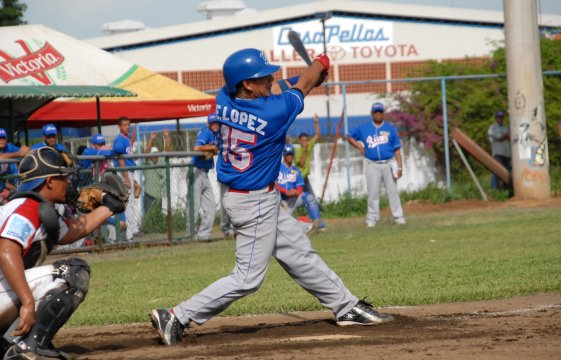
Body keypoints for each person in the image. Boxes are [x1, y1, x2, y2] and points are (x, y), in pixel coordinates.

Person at [151, 48, 393, 346]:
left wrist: (310, 78)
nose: (270, 80)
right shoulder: (273, 113)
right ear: (247, 85)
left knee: (297, 251)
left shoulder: (224, 97)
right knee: (247, 278)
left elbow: (285, 86)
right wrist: (320, 64)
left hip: (249, 195)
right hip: (252, 202)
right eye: (262, 77)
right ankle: (177, 315)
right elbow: (300, 85)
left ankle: (346, 306)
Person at [0, 147, 126, 359]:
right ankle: (28, 349)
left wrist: (111, 207)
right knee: (72, 273)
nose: (69, 182)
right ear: (50, 181)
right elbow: (6, 251)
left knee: (53, 277)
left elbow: (74, 231)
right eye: (64, 177)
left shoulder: (35, 205)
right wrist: (27, 302)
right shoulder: (28, 207)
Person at [344, 102, 405, 228]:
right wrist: (359, 146)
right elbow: (348, 136)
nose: (378, 114)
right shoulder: (364, 128)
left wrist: (399, 166)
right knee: (373, 193)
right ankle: (372, 219)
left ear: (383, 113)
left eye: (380, 112)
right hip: (371, 164)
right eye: (376, 112)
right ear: (372, 113)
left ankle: (398, 217)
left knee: (392, 191)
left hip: (388, 163)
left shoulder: (389, 129)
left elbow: (397, 149)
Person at [277, 144, 325, 232]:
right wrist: (285, 191)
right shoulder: (277, 169)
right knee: (284, 224)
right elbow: (274, 185)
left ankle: (317, 222)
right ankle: (307, 226)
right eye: (288, 154)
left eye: (291, 154)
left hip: (294, 199)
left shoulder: (296, 171)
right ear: (284, 155)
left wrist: (296, 192)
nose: (290, 156)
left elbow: (300, 187)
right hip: (281, 201)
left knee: (309, 197)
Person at [189, 113, 221, 241]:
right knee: (194, 205)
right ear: (208, 124)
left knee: (211, 206)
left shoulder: (215, 135)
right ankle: (189, 234)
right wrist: (211, 147)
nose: (215, 125)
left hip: (205, 173)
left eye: (216, 123)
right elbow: (196, 147)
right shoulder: (206, 131)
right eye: (212, 123)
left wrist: (213, 149)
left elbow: (217, 150)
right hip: (196, 171)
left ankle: (203, 235)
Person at [113, 117, 140, 241]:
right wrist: (126, 177)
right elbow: (120, 158)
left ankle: (132, 232)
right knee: (127, 205)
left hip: (130, 172)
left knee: (131, 204)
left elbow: (128, 157)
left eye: (128, 125)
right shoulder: (119, 139)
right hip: (125, 173)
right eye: (124, 125)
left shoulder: (126, 139)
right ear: (119, 127)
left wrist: (134, 181)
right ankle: (129, 235)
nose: (127, 127)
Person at [143, 129, 171, 214]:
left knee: (157, 214)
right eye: (153, 154)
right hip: (149, 194)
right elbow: (147, 152)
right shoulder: (147, 163)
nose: (155, 155)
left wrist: (166, 136)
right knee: (148, 215)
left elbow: (167, 150)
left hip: (158, 195)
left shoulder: (161, 161)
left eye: (156, 153)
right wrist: (151, 139)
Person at [294, 113, 321, 198]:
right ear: (299, 141)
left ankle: (316, 208)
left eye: (306, 140)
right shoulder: (297, 151)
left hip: (305, 177)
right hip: (299, 177)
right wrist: (304, 151)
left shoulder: (309, 146)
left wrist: (316, 122)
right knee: (304, 196)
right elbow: (301, 163)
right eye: (302, 140)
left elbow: (317, 135)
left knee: (309, 195)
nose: (304, 142)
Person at [487, 110, 511, 189]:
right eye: (499, 117)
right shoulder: (492, 128)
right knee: (496, 171)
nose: (501, 119)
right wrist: (506, 136)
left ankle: (505, 189)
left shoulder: (505, 127)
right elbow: (499, 138)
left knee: (506, 173)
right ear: (496, 118)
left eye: (502, 117)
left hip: (506, 153)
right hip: (498, 153)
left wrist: (506, 136)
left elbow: (509, 137)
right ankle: (494, 189)